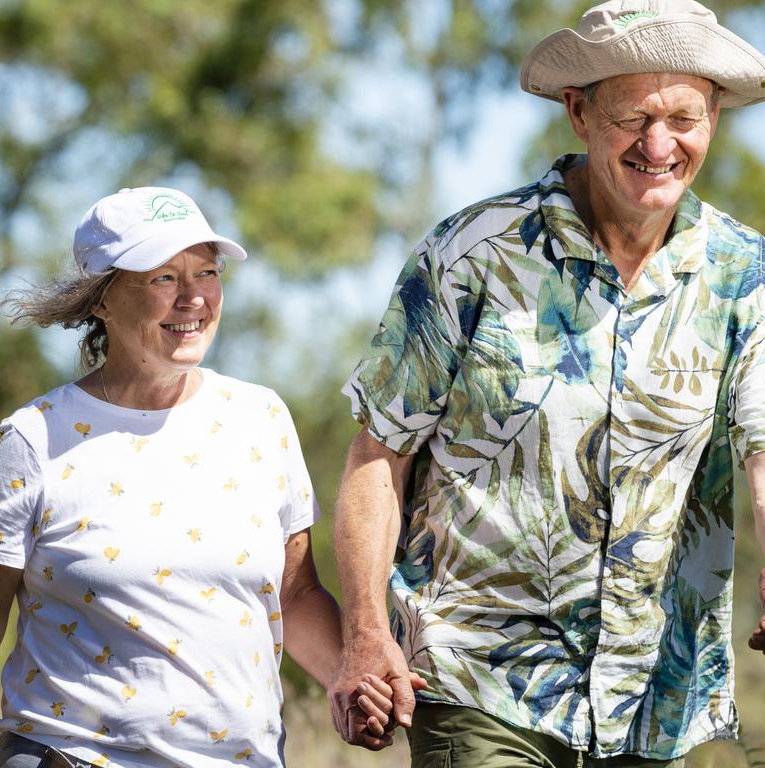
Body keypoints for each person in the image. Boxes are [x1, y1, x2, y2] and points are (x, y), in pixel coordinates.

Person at [327, 1, 765, 765]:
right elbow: (378, 457)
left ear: (716, 114)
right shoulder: (472, 255)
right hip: (480, 676)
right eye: (634, 118)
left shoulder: (745, 277)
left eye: (685, 119)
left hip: (650, 693)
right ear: (579, 111)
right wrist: (366, 635)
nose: (658, 144)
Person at [0, 186, 395, 768]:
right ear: (102, 299)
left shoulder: (262, 419)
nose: (194, 298)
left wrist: (351, 673)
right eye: (163, 278)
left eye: (208, 272)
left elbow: (293, 596)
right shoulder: (33, 440)